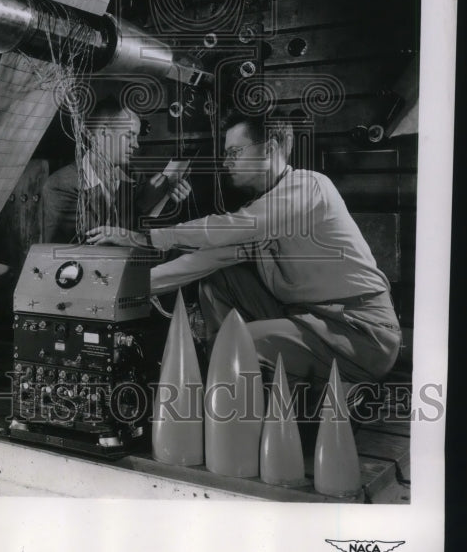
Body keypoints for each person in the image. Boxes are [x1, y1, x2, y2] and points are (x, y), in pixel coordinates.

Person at [87, 110, 401, 386]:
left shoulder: (308, 187)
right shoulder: (263, 210)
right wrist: (121, 291)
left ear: (271, 148)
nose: (226, 162)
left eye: (234, 152)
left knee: (233, 344)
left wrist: (146, 237)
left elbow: (230, 226)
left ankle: (253, 371)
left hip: (360, 332)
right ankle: (236, 369)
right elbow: (202, 262)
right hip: (307, 320)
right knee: (217, 278)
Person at [42, 95, 190, 244]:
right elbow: (95, 243)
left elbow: (154, 234)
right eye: (129, 136)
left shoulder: (135, 177)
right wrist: (143, 205)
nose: (136, 145)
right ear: (103, 133)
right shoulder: (61, 186)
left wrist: (168, 198)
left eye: (137, 137)